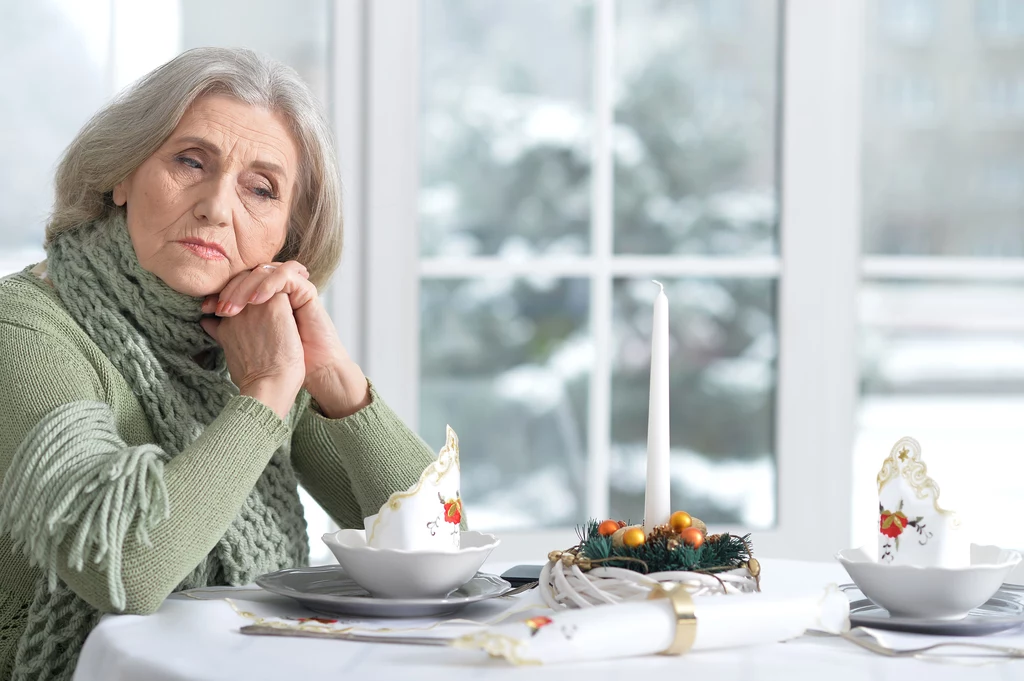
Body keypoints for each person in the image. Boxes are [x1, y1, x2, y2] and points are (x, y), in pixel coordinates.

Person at [0, 47, 439, 681]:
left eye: (260, 188)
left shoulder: (258, 339)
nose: (216, 206)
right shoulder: (25, 329)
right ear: (121, 175)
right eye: (189, 161)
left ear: (286, 235)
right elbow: (124, 570)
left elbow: (430, 548)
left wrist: (334, 376)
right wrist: (263, 395)